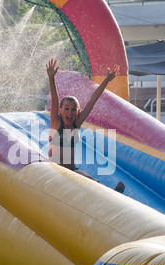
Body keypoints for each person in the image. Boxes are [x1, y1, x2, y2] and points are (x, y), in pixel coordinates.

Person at [46, 58, 125, 193]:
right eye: (66, 109)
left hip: (72, 170)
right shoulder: (56, 122)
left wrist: (106, 80)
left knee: (92, 182)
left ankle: (112, 194)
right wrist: (51, 78)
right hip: (56, 170)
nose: (69, 113)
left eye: (73, 109)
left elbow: (92, 100)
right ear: (60, 111)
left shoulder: (77, 123)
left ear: (78, 112)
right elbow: (55, 99)